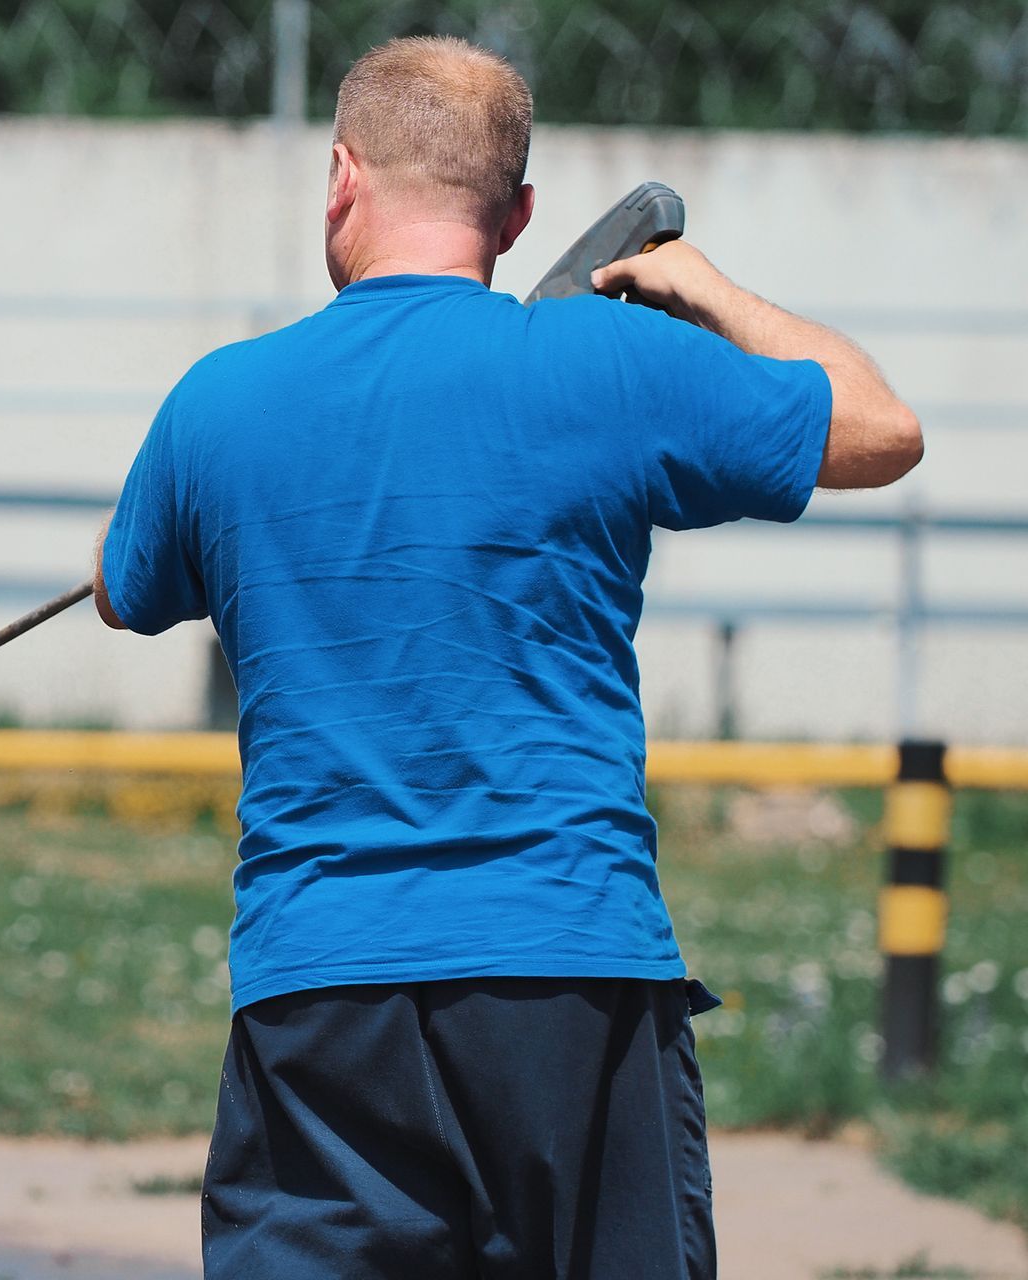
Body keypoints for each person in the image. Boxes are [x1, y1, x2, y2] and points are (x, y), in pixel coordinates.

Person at [93, 34, 920, 1280]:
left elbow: (122, 590)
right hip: (568, 977)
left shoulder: (217, 403)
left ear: (339, 176)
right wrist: (703, 287)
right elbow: (880, 429)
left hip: (321, 993)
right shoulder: (607, 363)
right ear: (522, 213)